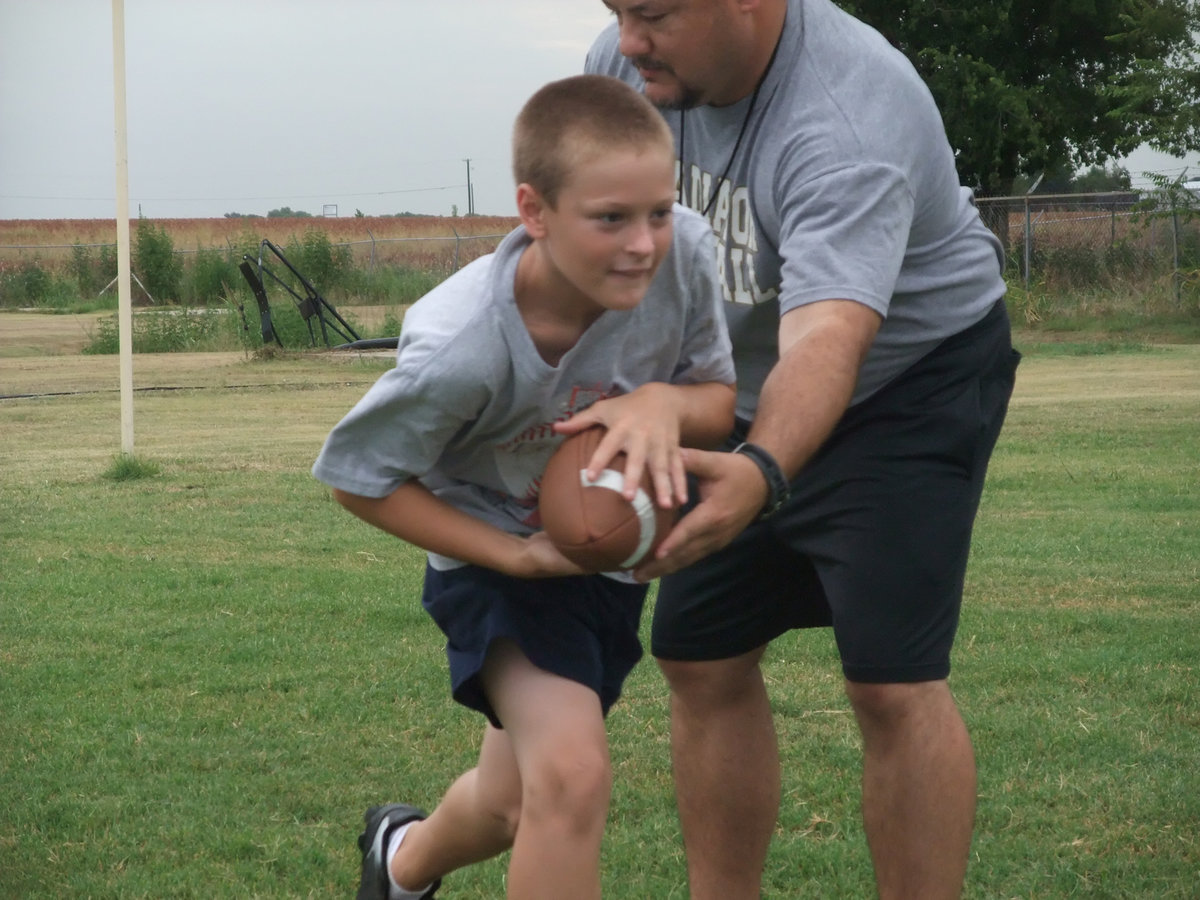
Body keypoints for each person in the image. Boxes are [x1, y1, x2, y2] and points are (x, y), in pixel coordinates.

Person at [582, 1, 1021, 898]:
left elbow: (826, 337)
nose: (628, 40)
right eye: (616, 9)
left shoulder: (848, 109)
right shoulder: (627, 74)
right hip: (739, 386)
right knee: (700, 657)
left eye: (654, 12)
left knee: (891, 685)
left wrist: (762, 470)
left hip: (907, 381)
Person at [312, 74, 735, 900]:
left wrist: (661, 402)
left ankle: (399, 862)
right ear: (534, 212)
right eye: (609, 217)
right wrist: (513, 558)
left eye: (658, 209)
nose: (645, 241)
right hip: (493, 558)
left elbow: (718, 404)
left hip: (602, 560)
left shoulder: (684, 251)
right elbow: (359, 482)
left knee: (513, 805)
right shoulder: (461, 344)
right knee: (572, 777)